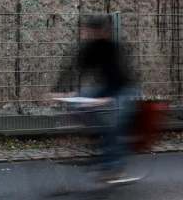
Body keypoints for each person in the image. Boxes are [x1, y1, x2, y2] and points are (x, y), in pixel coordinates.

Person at [57, 15, 137, 182]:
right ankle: (96, 135)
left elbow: (118, 75)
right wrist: (60, 91)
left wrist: (106, 99)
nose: (92, 35)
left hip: (123, 88)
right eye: (90, 32)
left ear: (104, 32)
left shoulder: (112, 48)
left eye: (95, 32)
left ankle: (116, 166)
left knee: (113, 123)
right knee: (79, 102)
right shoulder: (91, 48)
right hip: (106, 88)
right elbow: (73, 68)